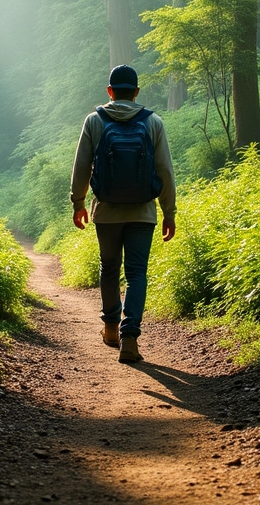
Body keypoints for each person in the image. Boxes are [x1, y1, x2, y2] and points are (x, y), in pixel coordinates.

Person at [70, 64, 176, 364]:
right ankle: (130, 338)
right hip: (143, 211)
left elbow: (81, 166)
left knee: (109, 268)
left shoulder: (94, 121)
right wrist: (169, 211)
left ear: (110, 91)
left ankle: (110, 328)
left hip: (106, 212)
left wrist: (78, 203)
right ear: (137, 92)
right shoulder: (153, 122)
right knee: (137, 273)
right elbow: (165, 170)